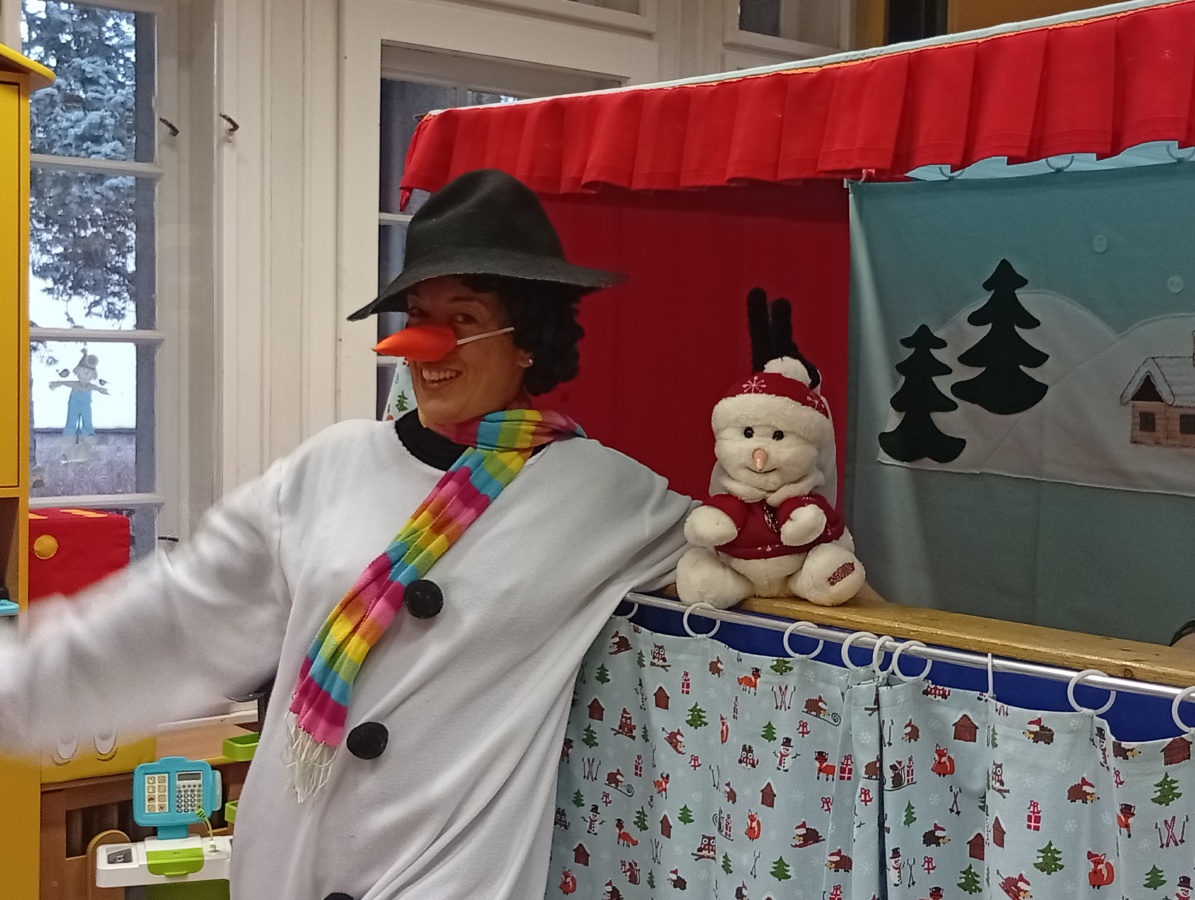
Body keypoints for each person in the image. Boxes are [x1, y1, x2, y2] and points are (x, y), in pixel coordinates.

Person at [0, 169, 694, 900]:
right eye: (418, 314)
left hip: (450, 876)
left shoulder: (601, 495)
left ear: (529, 340)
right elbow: (172, 622)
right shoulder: (327, 469)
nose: (427, 343)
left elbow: (740, 555)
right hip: (291, 865)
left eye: (462, 318)